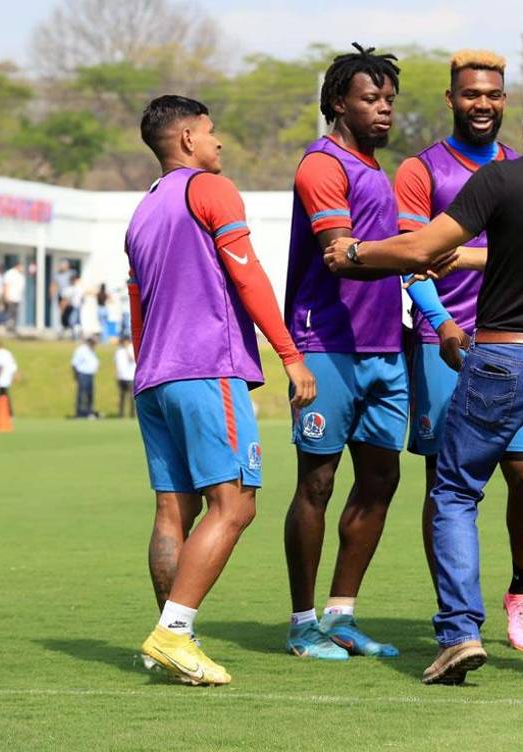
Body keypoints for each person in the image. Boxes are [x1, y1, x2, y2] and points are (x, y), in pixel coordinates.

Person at [326, 75, 523, 688]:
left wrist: (355, 255)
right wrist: (464, 256)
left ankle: (460, 633)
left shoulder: (501, 179)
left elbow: (421, 248)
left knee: (456, 493)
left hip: (501, 356)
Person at [129, 95, 316, 685]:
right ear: (186, 138)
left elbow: (139, 312)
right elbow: (247, 271)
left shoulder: (142, 213)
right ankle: (173, 633)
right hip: (205, 368)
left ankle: (174, 644)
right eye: (211, 131)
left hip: (154, 378)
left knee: (171, 510)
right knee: (235, 505)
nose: (219, 142)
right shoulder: (210, 188)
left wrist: (151, 371)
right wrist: (291, 355)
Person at [394, 49, 523, 652]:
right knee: (447, 486)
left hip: (513, 344)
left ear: (506, 101)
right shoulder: (421, 168)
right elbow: (411, 259)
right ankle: (455, 620)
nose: (482, 104)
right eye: (470, 94)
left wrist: (465, 256)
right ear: (452, 99)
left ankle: (521, 591)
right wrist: (443, 323)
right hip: (443, 344)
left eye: (493, 94)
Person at [280, 44, 415, 662]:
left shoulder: (374, 169)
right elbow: (341, 253)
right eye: (370, 99)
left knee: (381, 478)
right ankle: (303, 624)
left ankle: (341, 615)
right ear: (339, 103)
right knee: (318, 481)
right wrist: (423, 250)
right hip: (326, 346)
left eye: (389, 100)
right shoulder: (321, 165)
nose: (384, 110)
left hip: (386, 349)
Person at [71, 336, 99, 418]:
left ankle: (88, 412)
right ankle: (80, 413)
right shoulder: (81, 350)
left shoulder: (92, 351)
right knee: (82, 394)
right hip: (82, 374)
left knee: (90, 394)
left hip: (90, 375)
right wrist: (76, 376)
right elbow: (74, 363)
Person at [0, 340, 17, 416]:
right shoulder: (7, 352)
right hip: (8, 375)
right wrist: (14, 374)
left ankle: (2, 413)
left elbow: (0, 366)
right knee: (4, 394)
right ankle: (8, 413)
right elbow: (13, 363)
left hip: (3, 376)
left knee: (2, 395)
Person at [115, 336, 137, 418]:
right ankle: (121, 414)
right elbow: (117, 363)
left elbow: (132, 359)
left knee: (131, 397)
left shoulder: (131, 348)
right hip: (121, 377)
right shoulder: (119, 351)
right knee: (122, 396)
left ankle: (132, 414)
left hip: (130, 377)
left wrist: (127, 350)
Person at [2, 262, 25, 332]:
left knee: (15, 314)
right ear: (18, 266)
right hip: (11, 297)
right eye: (22, 266)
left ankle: (13, 328)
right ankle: (8, 328)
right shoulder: (10, 273)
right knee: (9, 313)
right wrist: (6, 295)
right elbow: (6, 285)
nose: (23, 268)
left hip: (18, 298)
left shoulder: (20, 275)